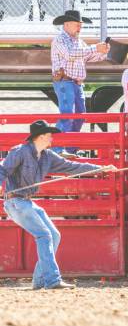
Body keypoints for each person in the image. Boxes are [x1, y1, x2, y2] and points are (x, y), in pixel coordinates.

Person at [0, 121, 117, 289]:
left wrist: (101, 169)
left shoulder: (48, 156)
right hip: (15, 202)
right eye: (49, 135)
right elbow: (2, 169)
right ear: (40, 137)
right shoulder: (20, 151)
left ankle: (40, 282)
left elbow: (73, 167)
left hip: (25, 202)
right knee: (44, 235)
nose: (51, 139)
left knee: (53, 235)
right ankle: (52, 280)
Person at [51, 10, 110, 157]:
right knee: (67, 114)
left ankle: (69, 148)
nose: (80, 27)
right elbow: (71, 54)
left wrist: (102, 52)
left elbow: (89, 56)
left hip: (75, 83)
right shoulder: (59, 40)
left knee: (79, 116)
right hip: (65, 81)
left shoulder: (79, 42)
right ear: (67, 24)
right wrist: (96, 48)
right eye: (77, 25)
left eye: (80, 25)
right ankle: (58, 149)